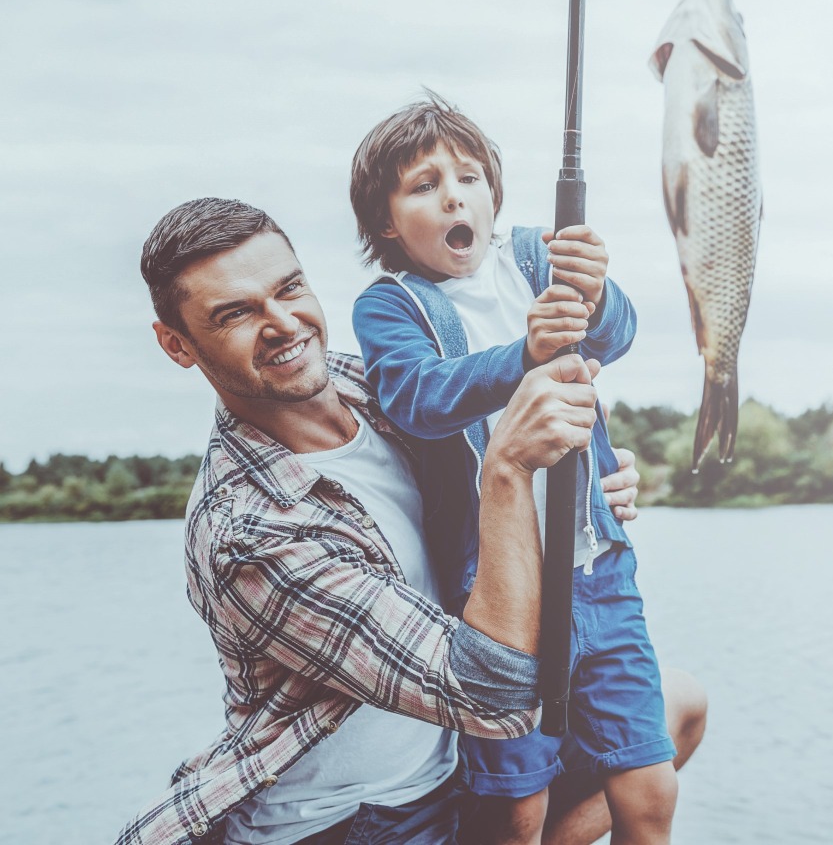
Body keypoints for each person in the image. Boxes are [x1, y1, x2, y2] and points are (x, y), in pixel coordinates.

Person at [116, 197, 677, 845]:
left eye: (289, 287)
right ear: (176, 345)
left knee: (675, 710)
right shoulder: (247, 532)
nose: (280, 323)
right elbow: (489, 696)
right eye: (236, 313)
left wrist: (582, 496)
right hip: (357, 817)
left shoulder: (373, 386)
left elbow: (493, 424)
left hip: (452, 759)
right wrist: (509, 473)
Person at [350, 94, 678, 845]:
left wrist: (594, 292)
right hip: (497, 597)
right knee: (516, 805)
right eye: (423, 185)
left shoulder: (533, 255)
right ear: (387, 223)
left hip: (599, 573)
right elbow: (418, 396)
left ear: (494, 193)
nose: (453, 194)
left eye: (468, 176)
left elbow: (617, 334)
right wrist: (523, 356)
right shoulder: (391, 305)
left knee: (648, 781)